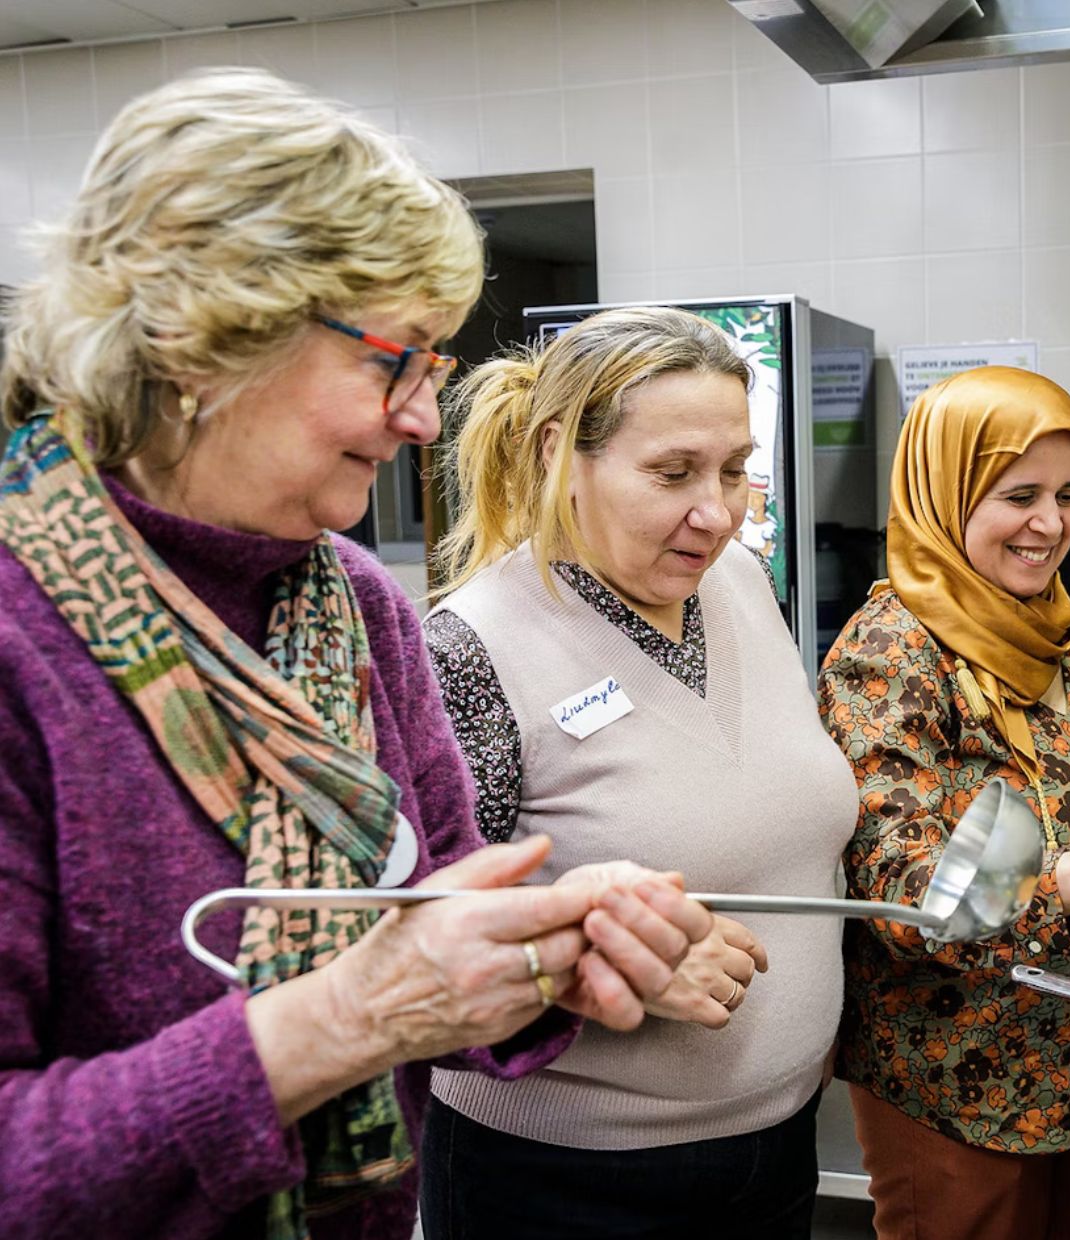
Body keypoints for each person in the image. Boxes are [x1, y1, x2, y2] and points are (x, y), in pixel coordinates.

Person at [0, 69, 712, 1240]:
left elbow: (436, 899)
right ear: (197, 336)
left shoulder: (348, 607)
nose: (427, 417)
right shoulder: (24, 644)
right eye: (397, 359)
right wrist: (346, 1021)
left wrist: (544, 947)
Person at [418, 306, 859, 1239]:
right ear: (556, 457)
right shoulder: (472, 647)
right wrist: (597, 959)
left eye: (736, 470)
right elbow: (420, 949)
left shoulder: (737, 582)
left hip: (775, 1147)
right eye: (672, 474)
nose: (717, 511)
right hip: (566, 1182)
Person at [817, 365, 1070, 1240]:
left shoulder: (1047, 618)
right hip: (960, 1079)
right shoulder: (892, 649)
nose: (1051, 524)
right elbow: (902, 885)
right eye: (1019, 495)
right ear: (946, 490)